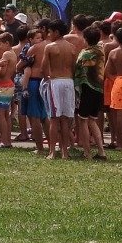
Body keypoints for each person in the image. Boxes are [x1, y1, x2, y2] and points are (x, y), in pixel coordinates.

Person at [43, 19, 75, 159]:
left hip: (55, 81)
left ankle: (52, 151)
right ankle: (64, 152)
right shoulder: (72, 47)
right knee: (65, 118)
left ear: (56, 32)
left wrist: (47, 78)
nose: (48, 34)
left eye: (50, 32)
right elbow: (74, 67)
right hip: (69, 81)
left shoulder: (50, 47)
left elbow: (44, 67)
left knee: (54, 118)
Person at [74, 26, 107, 160]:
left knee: (83, 120)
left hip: (87, 88)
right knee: (92, 121)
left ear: (86, 39)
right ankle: (101, 151)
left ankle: (87, 152)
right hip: (98, 88)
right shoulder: (100, 51)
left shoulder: (85, 54)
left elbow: (78, 68)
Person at [0, 32, 18, 148]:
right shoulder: (13, 53)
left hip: (4, 86)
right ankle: (8, 140)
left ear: (7, 43)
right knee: (6, 114)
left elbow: (2, 72)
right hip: (8, 85)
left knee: (0, 114)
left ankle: (4, 141)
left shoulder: (6, 54)